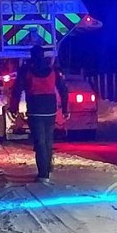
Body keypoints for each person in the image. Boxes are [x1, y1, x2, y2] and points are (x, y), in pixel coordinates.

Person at [12, 45, 68, 183]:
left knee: (40, 141)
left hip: (35, 110)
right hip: (50, 110)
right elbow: (63, 89)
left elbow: (17, 89)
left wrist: (14, 108)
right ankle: (47, 169)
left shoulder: (26, 70)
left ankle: (43, 174)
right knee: (48, 140)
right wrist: (66, 109)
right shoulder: (53, 70)